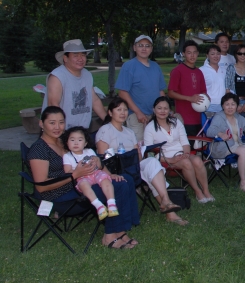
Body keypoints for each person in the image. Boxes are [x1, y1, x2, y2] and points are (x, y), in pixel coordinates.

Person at [28, 106, 139, 249]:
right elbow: (41, 186)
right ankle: (111, 235)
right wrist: (75, 175)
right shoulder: (39, 149)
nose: (57, 127)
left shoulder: (66, 140)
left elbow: (90, 158)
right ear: (41, 124)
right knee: (118, 187)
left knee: (125, 179)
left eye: (61, 122)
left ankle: (120, 230)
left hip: (83, 182)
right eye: (52, 123)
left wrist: (106, 170)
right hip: (60, 196)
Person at [96, 97, 186, 225]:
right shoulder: (105, 130)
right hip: (116, 170)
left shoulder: (129, 132)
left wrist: (137, 152)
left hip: (132, 166)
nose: (123, 113)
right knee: (151, 171)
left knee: (152, 163)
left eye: (125, 110)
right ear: (110, 112)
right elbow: (103, 158)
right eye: (119, 110)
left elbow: (138, 157)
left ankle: (166, 201)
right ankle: (169, 211)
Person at [144, 96, 214, 203]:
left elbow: (185, 142)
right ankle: (198, 191)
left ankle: (206, 190)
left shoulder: (176, 122)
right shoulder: (150, 128)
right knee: (186, 163)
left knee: (197, 161)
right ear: (154, 110)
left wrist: (186, 153)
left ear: (170, 110)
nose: (163, 111)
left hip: (182, 153)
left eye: (166, 108)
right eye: (159, 108)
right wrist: (170, 160)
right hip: (165, 158)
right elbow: (149, 153)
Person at [207, 92, 245, 192]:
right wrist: (220, 134)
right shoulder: (219, 117)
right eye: (227, 104)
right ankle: (243, 183)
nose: (230, 107)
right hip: (222, 147)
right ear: (222, 106)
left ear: (237, 106)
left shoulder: (238, 117)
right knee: (243, 151)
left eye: (233, 104)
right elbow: (209, 131)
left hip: (237, 144)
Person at [43, 39, 106, 130]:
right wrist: (61, 131)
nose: (80, 59)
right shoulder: (57, 77)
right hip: (61, 131)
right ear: (65, 58)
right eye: (75, 55)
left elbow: (95, 101)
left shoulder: (87, 74)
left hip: (82, 131)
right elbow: (53, 104)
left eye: (83, 55)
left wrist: (109, 122)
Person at [115, 35, 167, 140]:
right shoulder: (129, 66)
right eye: (140, 45)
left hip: (156, 115)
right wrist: (138, 112)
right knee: (139, 144)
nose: (144, 48)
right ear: (134, 48)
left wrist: (166, 109)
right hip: (136, 115)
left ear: (151, 49)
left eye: (147, 46)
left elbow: (160, 91)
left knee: (158, 143)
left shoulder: (156, 67)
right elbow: (122, 93)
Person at [62, 126, 119, 220]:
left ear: (85, 143)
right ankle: (99, 206)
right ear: (67, 142)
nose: (76, 143)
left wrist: (95, 162)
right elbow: (67, 171)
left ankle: (111, 203)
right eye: (72, 140)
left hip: (95, 173)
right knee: (83, 185)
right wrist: (78, 170)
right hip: (82, 177)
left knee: (105, 180)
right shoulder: (67, 156)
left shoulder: (89, 151)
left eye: (80, 140)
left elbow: (97, 164)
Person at [167, 41, 208, 136]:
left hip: (198, 117)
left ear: (198, 53)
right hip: (184, 118)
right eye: (189, 53)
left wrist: (206, 97)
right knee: (187, 143)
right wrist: (189, 98)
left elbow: (203, 91)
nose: (192, 55)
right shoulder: (177, 71)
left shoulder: (199, 72)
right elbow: (170, 93)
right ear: (184, 54)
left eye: (194, 52)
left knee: (199, 143)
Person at [199, 44, 227, 114]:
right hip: (208, 105)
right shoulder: (201, 70)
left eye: (218, 54)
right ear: (207, 55)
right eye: (212, 54)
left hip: (223, 105)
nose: (216, 56)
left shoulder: (224, 70)